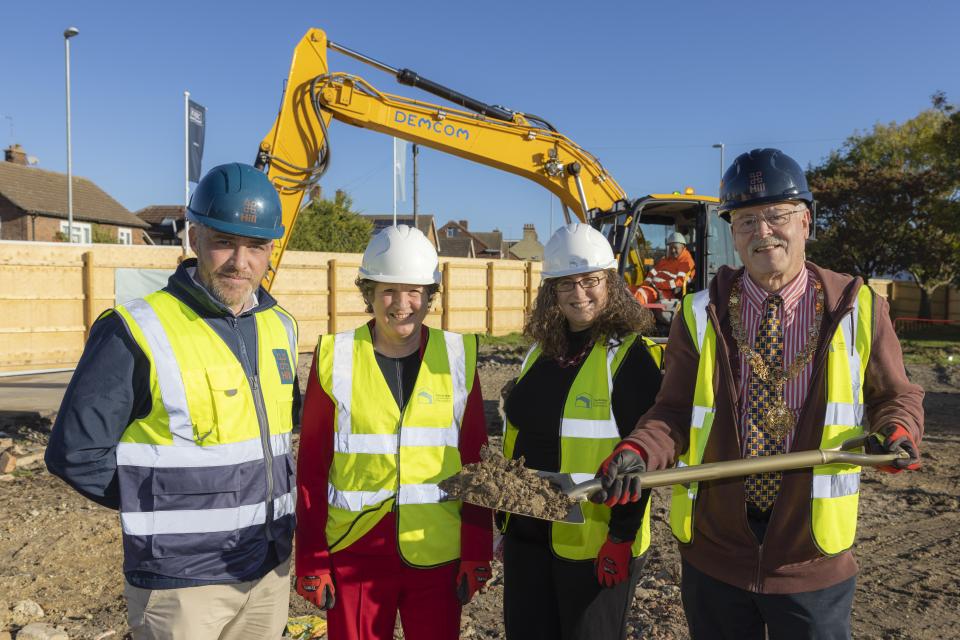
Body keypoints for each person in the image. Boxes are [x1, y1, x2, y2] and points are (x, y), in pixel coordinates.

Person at [597, 148, 924, 639]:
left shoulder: (859, 310)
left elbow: (895, 395)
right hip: (716, 554)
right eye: (746, 221)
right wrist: (638, 449)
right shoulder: (698, 314)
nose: (762, 232)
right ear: (732, 233)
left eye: (776, 216)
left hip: (810, 555)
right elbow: (673, 411)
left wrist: (897, 430)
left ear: (806, 223)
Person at [45, 162, 299, 639]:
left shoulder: (280, 326)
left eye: (256, 247)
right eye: (225, 241)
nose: (240, 262)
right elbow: (74, 453)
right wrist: (160, 509)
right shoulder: (136, 330)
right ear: (194, 236)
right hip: (182, 585)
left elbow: (278, 437)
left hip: (269, 569)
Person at [295, 224, 492, 640]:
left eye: (415, 291)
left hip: (437, 553)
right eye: (387, 290)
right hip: (354, 553)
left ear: (430, 295)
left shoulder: (459, 357)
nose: (402, 304)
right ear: (368, 293)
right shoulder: (334, 357)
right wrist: (312, 558)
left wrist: (476, 550)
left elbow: (478, 465)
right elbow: (313, 468)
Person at [500, 222, 664, 640]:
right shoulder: (539, 352)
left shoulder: (627, 357)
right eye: (566, 284)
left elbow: (641, 456)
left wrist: (621, 538)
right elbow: (517, 441)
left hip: (593, 545)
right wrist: (503, 523)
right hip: (528, 536)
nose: (579, 294)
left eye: (590, 281)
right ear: (550, 293)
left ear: (610, 283)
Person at [632, 232, 695, 304]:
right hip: (653, 288)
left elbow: (680, 282)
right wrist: (645, 284)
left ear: (683, 247)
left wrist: (659, 285)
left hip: (665, 293)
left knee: (640, 295)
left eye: (675, 248)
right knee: (628, 291)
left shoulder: (687, 262)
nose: (673, 250)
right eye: (671, 248)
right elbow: (652, 273)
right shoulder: (665, 260)